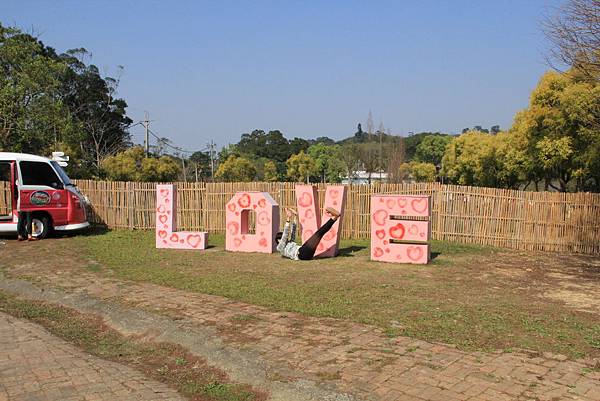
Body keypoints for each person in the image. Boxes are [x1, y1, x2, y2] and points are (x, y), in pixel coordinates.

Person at [276, 207, 340, 260]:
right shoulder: (280, 247)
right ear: (279, 240)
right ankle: (334, 218)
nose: (286, 238)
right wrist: (288, 218)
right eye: (283, 238)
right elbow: (285, 234)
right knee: (319, 233)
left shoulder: (289, 243)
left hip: (306, 254)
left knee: (319, 234)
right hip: (301, 253)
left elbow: (293, 233)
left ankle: (334, 218)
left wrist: (295, 216)